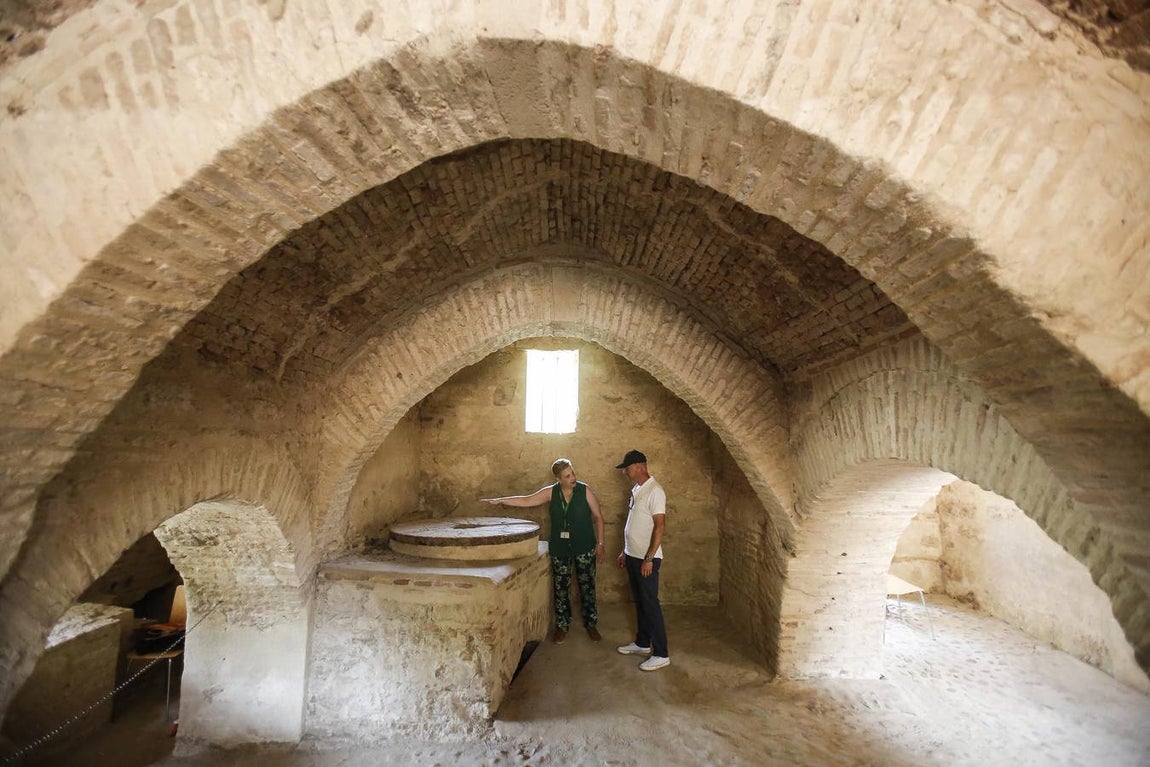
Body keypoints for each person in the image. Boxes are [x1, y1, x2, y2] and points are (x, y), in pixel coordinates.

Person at [481, 458, 606, 643]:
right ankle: (562, 626)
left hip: (584, 546)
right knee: (560, 588)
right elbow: (527, 500)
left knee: (587, 586)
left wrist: (601, 544)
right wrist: (501, 501)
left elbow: (598, 517)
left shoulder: (584, 490)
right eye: (567, 476)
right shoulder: (551, 493)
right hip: (560, 547)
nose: (573, 478)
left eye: (573, 473)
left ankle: (591, 623)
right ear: (559, 479)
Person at [614, 449, 670, 671]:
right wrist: (624, 550)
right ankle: (642, 642)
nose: (625, 472)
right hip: (632, 556)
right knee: (640, 602)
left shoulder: (656, 491)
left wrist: (648, 558)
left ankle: (662, 653)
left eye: (626, 468)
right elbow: (634, 523)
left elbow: (660, 526)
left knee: (651, 605)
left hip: (647, 559)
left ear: (639, 466)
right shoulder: (638, 489)